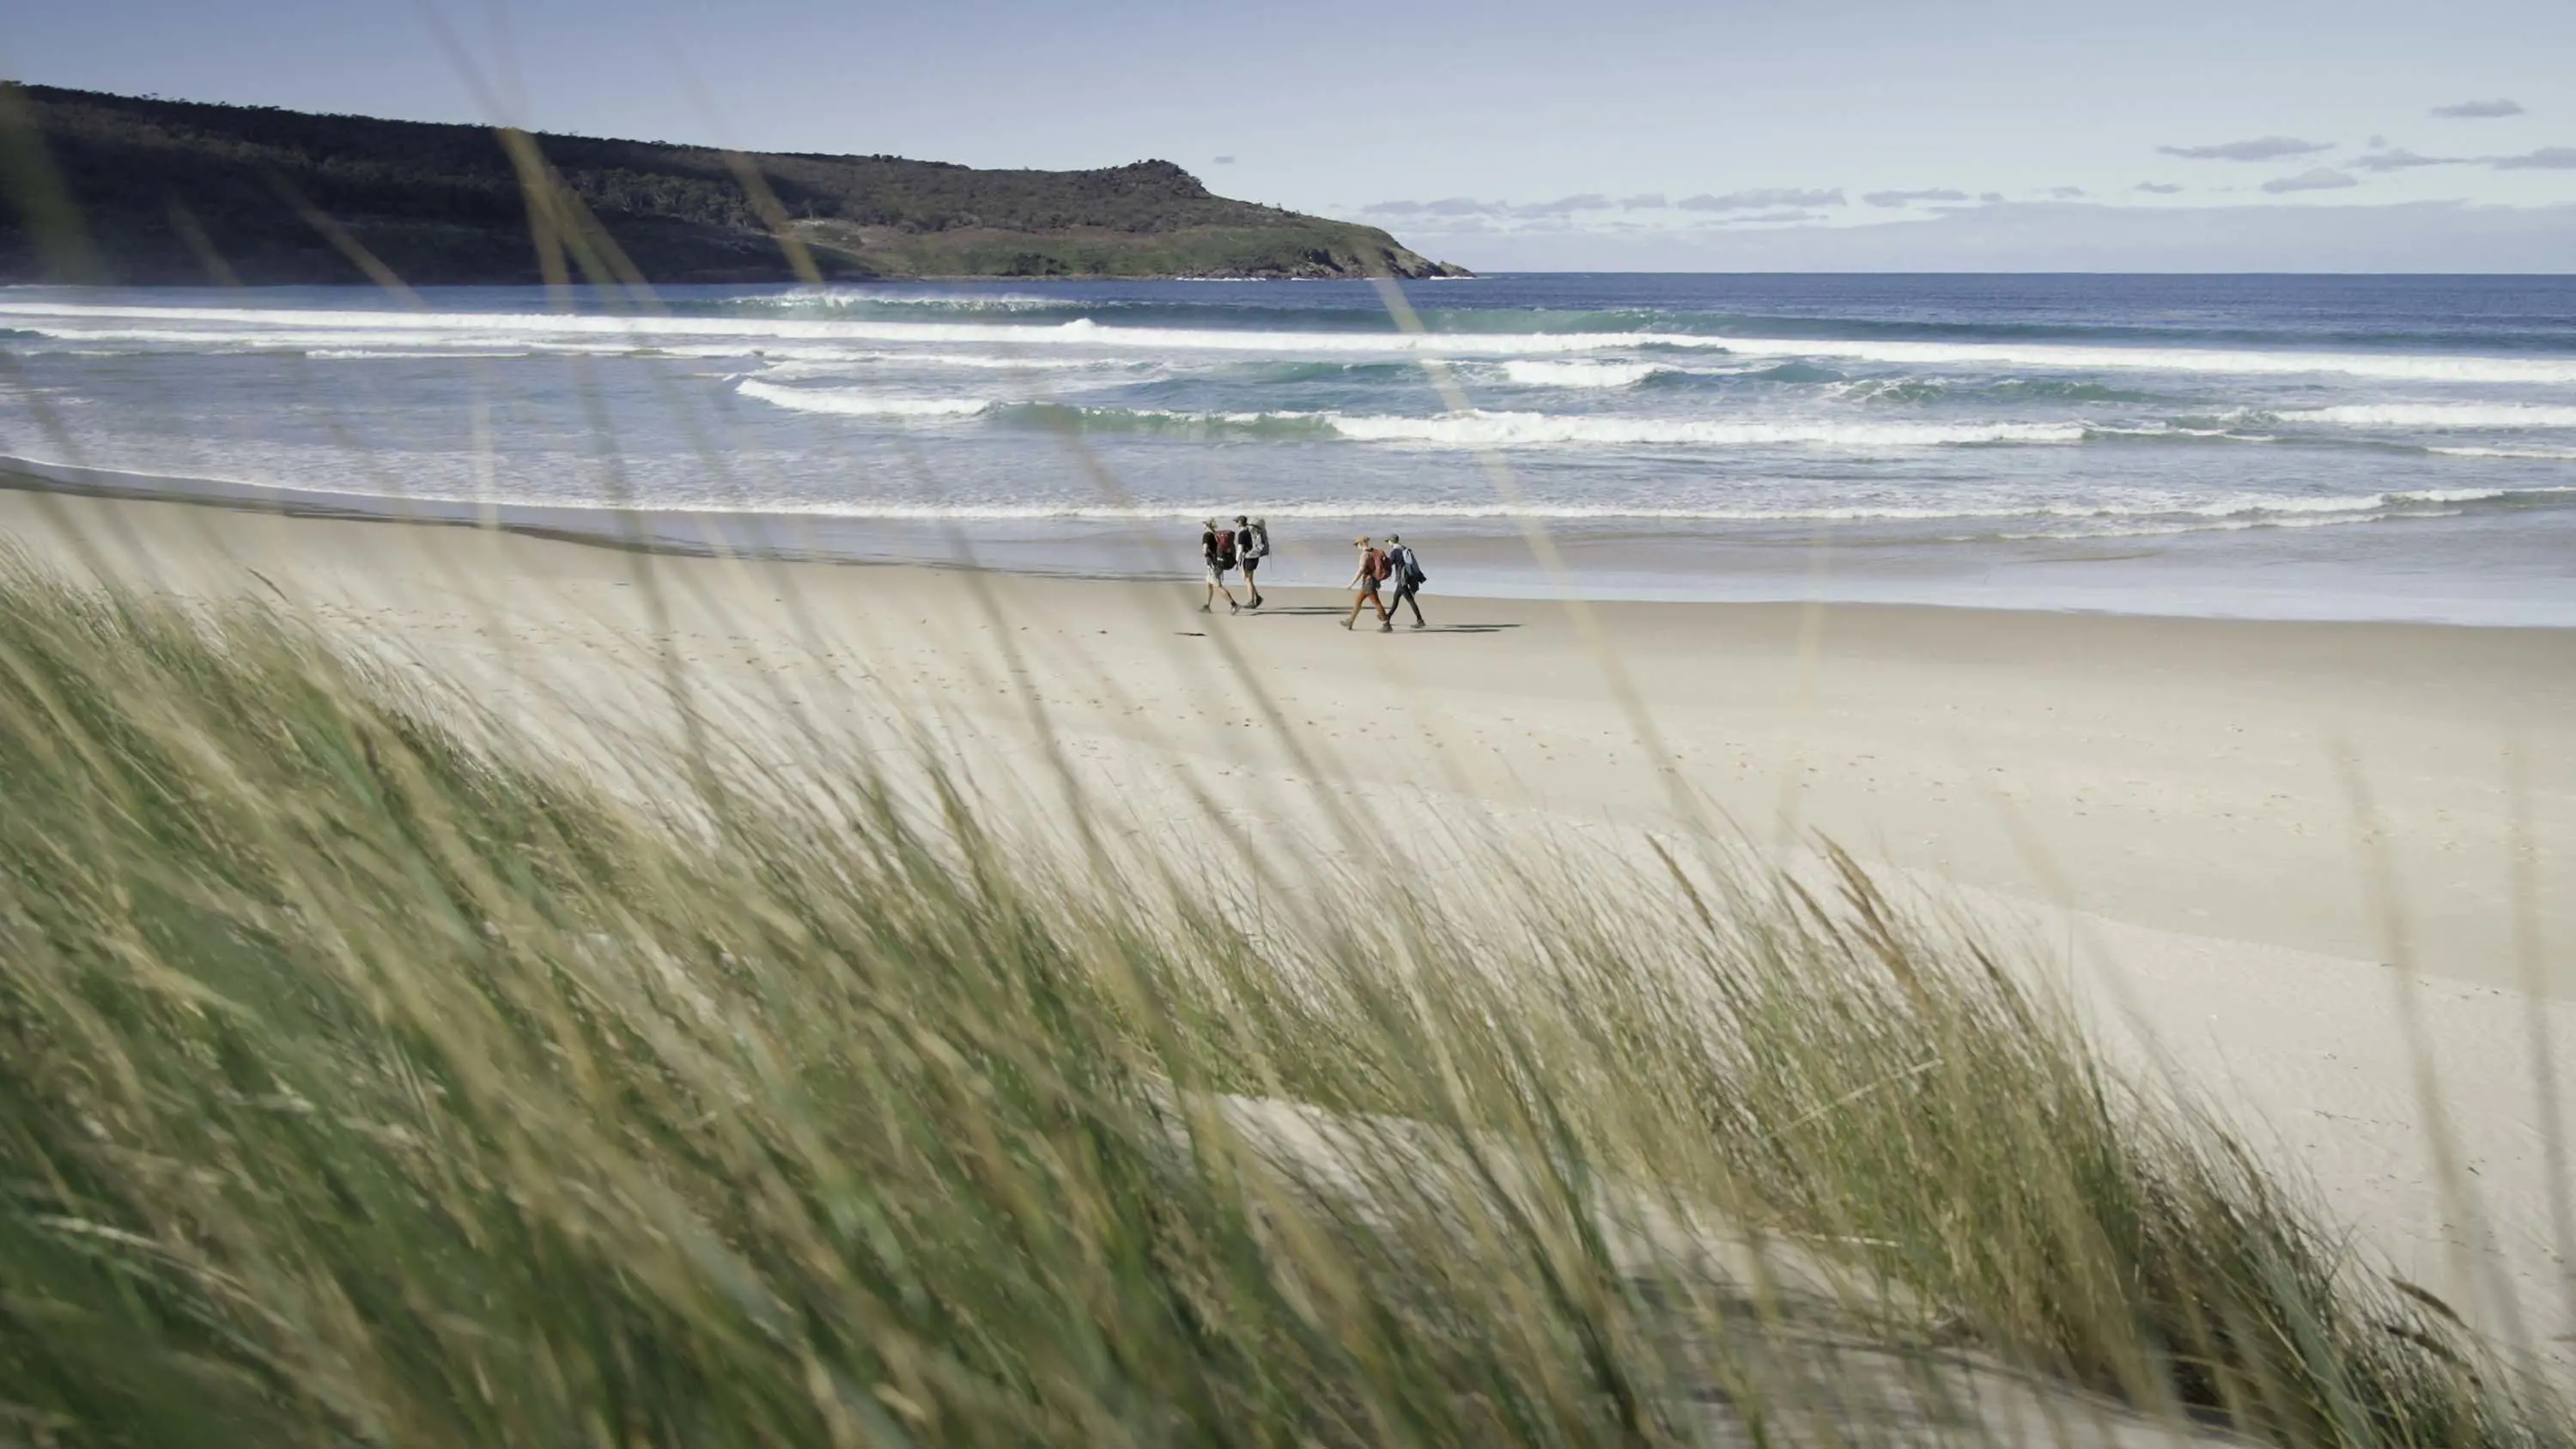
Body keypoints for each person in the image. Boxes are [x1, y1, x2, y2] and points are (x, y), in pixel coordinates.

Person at [1344, 535, 1393, 633]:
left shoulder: (1364, 554)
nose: (1356, 546)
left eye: (1356, 544)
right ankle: (1350, 621)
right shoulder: (1373, 552)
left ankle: (1386, 624)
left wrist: (1352, 583)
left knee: (1375, 602)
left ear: (1360, 544)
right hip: (1373, 580)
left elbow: (1361, 570)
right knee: (1359, 600)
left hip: (1368, 582)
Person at [1382, 533, 1428, 630]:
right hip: (1406, 578)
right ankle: (1419, 620)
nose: (1388, 543)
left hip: (1401, 578)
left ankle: (1387, 620)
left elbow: (1389, 564)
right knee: (1401, 600)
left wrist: (1383, 560)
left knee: (1402, 600)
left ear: (1391, 541)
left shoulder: (1395, 552)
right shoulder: (1404, 549)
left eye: (1388, 541)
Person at [1200, 518, 1241, 613]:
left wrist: (1205, 554)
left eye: (1204, 524)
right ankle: (1207, 605)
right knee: (1208, 584)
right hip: (1219, 562)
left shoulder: (1207, 535)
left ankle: (1234, 605)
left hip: (1213, 564)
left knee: (1218, 586)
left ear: (1206, 525)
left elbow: (1205, 550)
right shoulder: (1216, 534)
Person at [1234, 514, 1270, 609]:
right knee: (1246, 578)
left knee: (1248, 579)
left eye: (1237, 522)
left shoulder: (1242, 533)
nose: (1236, 523)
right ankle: (1257, 597)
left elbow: (1240, 548)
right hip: (1254, 555)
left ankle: (1252, 600)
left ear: (1240, 523)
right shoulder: (1250, 531)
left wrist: (1236, 561)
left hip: (1249, 557)